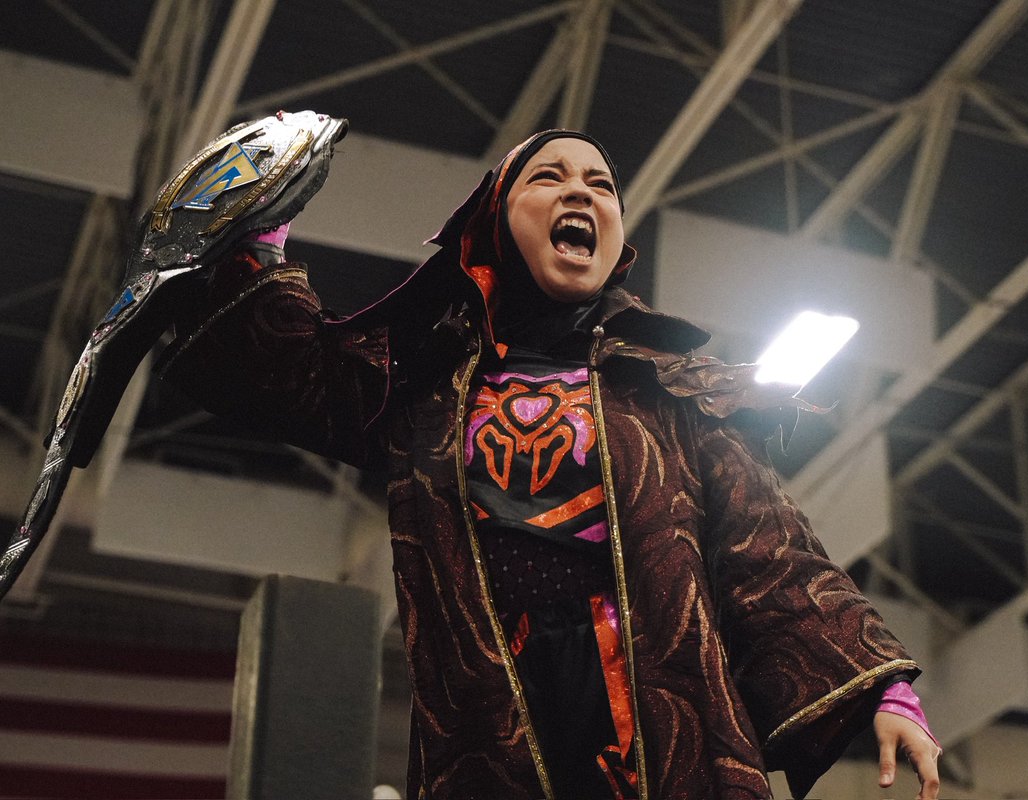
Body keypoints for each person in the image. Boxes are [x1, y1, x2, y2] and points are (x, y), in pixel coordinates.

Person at [163, 130, 941, 799]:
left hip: (658, 707)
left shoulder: (673, 388)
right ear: (496, 224)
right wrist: (257, 241)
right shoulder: (424, 382)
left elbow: (766, 551)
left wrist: (884, 688)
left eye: (601, 185)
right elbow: (286, 373)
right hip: (487, 707)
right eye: (549, 177)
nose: (581, 192)